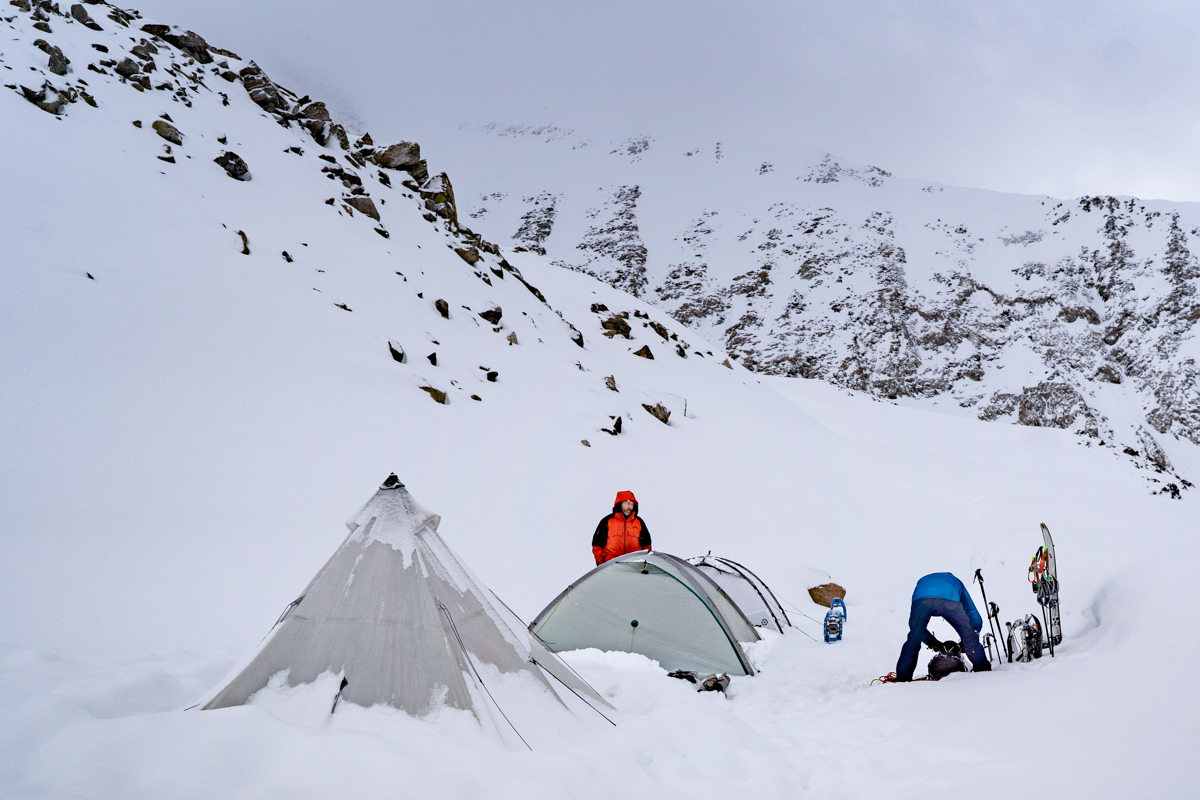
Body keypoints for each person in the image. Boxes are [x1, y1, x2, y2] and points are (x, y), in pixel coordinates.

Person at [894, 572, 991, 681]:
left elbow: (913, 626)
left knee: (913, 639)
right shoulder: (956, 582)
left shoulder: (925, 580)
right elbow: (974, 616)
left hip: (921, 599)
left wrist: (932, 642)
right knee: (970, 639)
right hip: (948, 598)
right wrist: (968, 640)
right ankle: (983, 671)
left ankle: (902, 678)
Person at [592, 491, 651, 565]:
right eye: (627, 503)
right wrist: (601, 564)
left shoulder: (639, 522)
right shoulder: (607, 521)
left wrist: (644, 563)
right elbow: (597, 544)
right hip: (612, 565)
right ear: (620, 504)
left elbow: (647, 545)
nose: (630, 507)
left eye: (632, 504)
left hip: (634, 566)